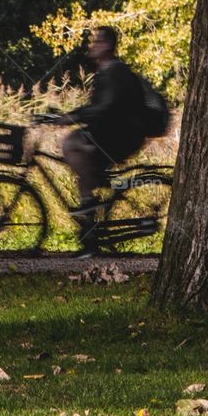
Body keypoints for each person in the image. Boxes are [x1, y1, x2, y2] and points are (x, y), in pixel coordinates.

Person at [59, 25, 147, 255]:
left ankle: (91, 206)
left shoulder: (116, 72)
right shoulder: (106, 72)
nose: (92, 46)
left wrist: (74, 117)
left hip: (120, 138)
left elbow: (106, 107)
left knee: (72, 144)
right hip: (109, 135)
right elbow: (98, 108)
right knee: (83, 176)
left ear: (107, 46)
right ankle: (90, 237)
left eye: (97, 42)